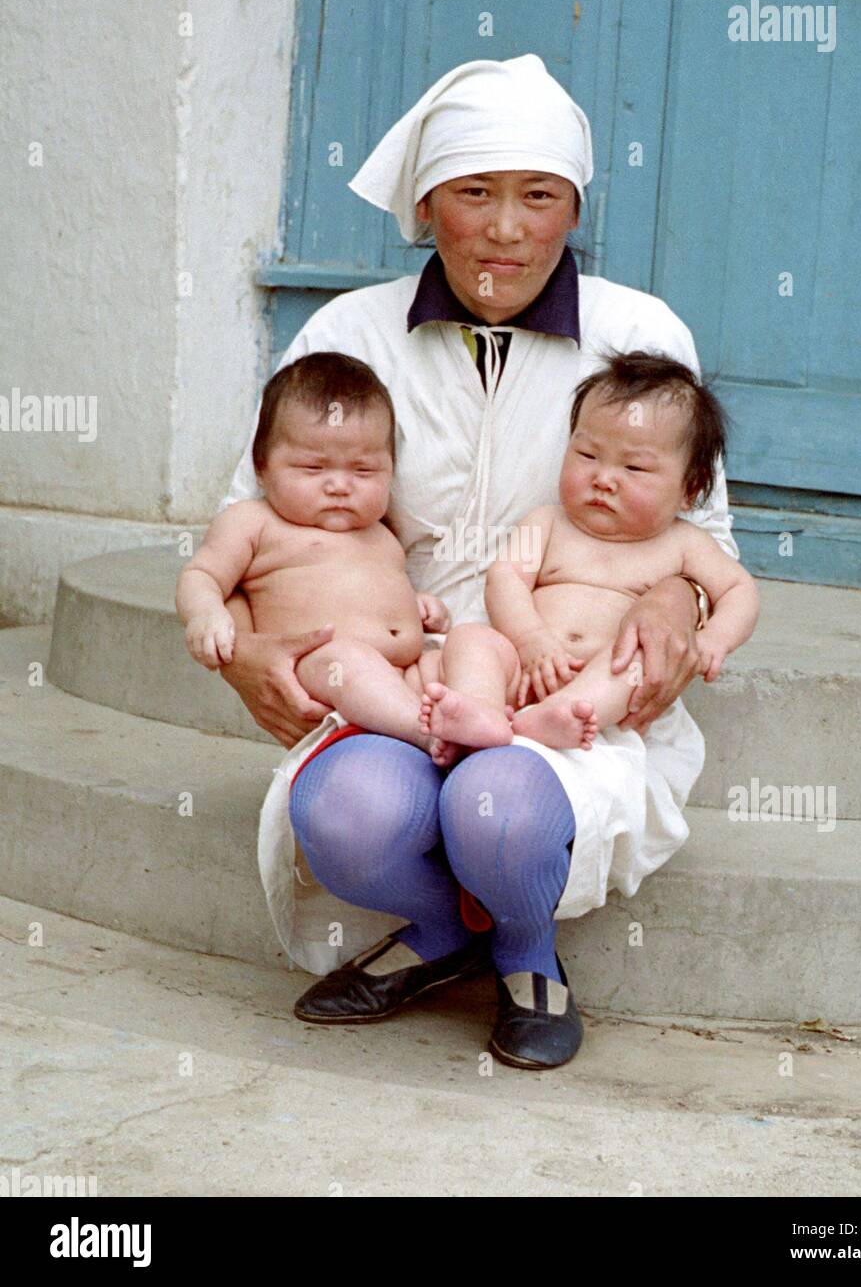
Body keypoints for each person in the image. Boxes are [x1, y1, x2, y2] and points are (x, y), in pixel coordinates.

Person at [217, 54, 740, 1071]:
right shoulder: (347, 334)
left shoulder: (637, 335)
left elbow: (698, 534)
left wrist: (677, 604)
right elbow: (247, 517)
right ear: (424, 204)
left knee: (495, 808)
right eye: (474, 194)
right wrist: (241, 646)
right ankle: (447, 927)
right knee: (353, 816)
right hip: (397, 670)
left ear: (574, 206)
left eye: (538, 196)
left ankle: (524, 950)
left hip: (561, 673)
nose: (506, 229)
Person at [418, 351, 760, 761]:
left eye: (634, 468)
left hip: (600, 678)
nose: (603, 478)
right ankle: (480, 712)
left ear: (691, 488)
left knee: (632, 668)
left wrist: (714, 639)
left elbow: (740, 589)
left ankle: (558, 715)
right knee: (471, 638)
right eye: (588, 456)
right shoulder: (547, 523)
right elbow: (505, 578)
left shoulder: (683, 544)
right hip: (527, 664)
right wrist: (531, 641)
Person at [175, 352, 456, 755]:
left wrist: (418, 607)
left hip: (405, 672)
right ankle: (425, 732)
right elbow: (201, 574)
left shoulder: (380, 533)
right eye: (312, 468)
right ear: (261, 467)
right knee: (349, 661)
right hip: (325, 671)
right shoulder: (254, 522)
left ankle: (480, 724)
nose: (340, 485)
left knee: (464, 647)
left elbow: (364, 592)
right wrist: (207, 613)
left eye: (364, 471)